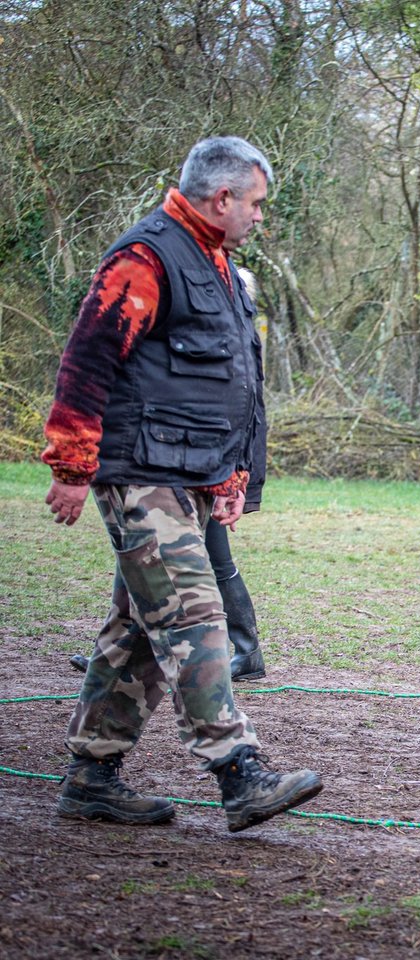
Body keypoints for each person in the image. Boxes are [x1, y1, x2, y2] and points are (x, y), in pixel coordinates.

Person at [42, 136, 321, 832]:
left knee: (141, 630)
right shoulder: (147, 257)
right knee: (194, 614)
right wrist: (72, 465)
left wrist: (231, 473)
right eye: (256, 202)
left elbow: (227, 382)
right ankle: (238, 772)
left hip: (187, 473)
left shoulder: (217, 264)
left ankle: (91, 777)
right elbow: (88, 360)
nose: (260, 215)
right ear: (222, 198)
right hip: (141, 472)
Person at [69, 269, 269, 683]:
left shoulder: (231, 344)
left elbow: (246, 416)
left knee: (208, 560)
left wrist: (237, 477)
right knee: (140, 558)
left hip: (207, 469)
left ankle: (245, 652)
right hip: (184, 463)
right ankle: (118, 658)